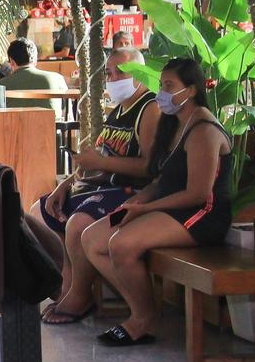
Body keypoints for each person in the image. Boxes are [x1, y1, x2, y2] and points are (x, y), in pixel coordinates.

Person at [81, 58, 233, 346]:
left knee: (121, 244)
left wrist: (145, 209)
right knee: (93, 239)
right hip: (169, 207)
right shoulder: (173, 124)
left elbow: (198, 194)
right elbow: (161, 181)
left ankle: (142, 320)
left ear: (190, 90)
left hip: (201, 214)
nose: (162, 92)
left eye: (169, 86)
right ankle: (142, 307)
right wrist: (137, 201)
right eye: (161, 85)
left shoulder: (203, 129)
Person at [32, 47, 160, 324]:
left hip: (133, 192)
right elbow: (95, 162)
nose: (114, 79)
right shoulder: (118, 111)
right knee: (38, 213)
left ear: (140, 74)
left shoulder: (149, 109)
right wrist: (64, 185)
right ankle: (67, 281)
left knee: (77, 223)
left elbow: (149, 167)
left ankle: (79, 293)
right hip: (101, 186)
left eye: (121, 72)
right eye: (109, 73)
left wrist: (103, 165)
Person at [0, 37, 66, 110]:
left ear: (12, 62)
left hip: (15, 121)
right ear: (35, 59)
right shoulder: (57, 79)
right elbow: (66, 111)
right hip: (51, 121)